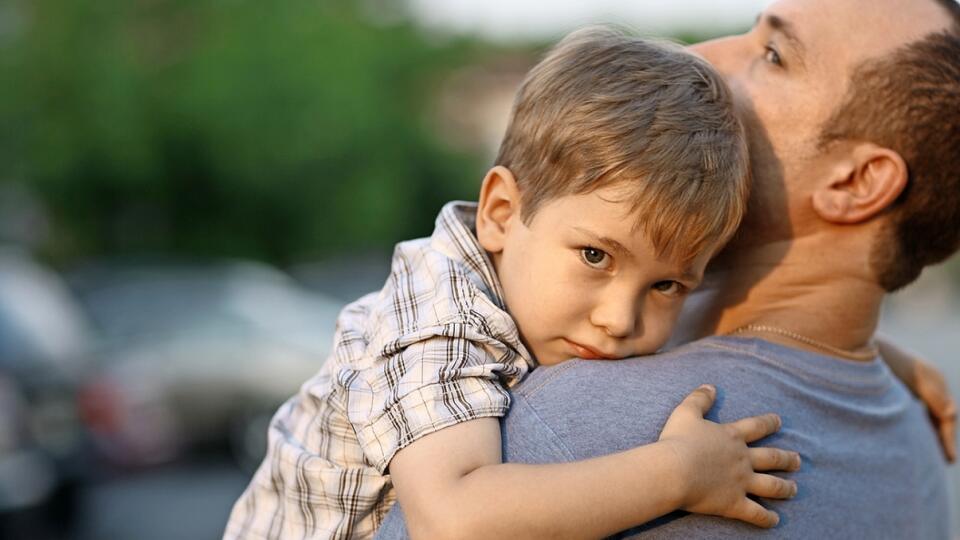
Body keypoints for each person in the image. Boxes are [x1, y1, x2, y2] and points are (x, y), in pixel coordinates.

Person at [371, 0, 960, 537]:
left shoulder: (578, 430)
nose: (699, 55)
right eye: (596, 256)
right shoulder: (918, 438)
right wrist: (882, 356)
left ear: (856, 182)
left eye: (773, 56)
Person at [224, 29, 808, 540]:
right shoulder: (438, 316)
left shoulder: (542, 282)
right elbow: (452, 521)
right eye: (595, 256)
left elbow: (750, 298)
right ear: (501, 212)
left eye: (666, 287)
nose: (619, 319)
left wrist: (888, 365)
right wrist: (678, 473)